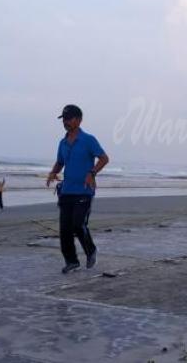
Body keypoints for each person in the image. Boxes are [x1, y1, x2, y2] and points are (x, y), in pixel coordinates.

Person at [46, 104, 110, 274]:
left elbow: (104, 158)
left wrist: (92, 172)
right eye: (64, 119)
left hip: (84, 191)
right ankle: (71, 261)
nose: (65, 122)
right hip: (66, 191)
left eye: (69, 118)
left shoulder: (89, 140)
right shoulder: (63, 143)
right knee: (64, 229)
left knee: (78, 224)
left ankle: (91, 251)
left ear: (79, 120)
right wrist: (53, 172)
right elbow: (60, 162)